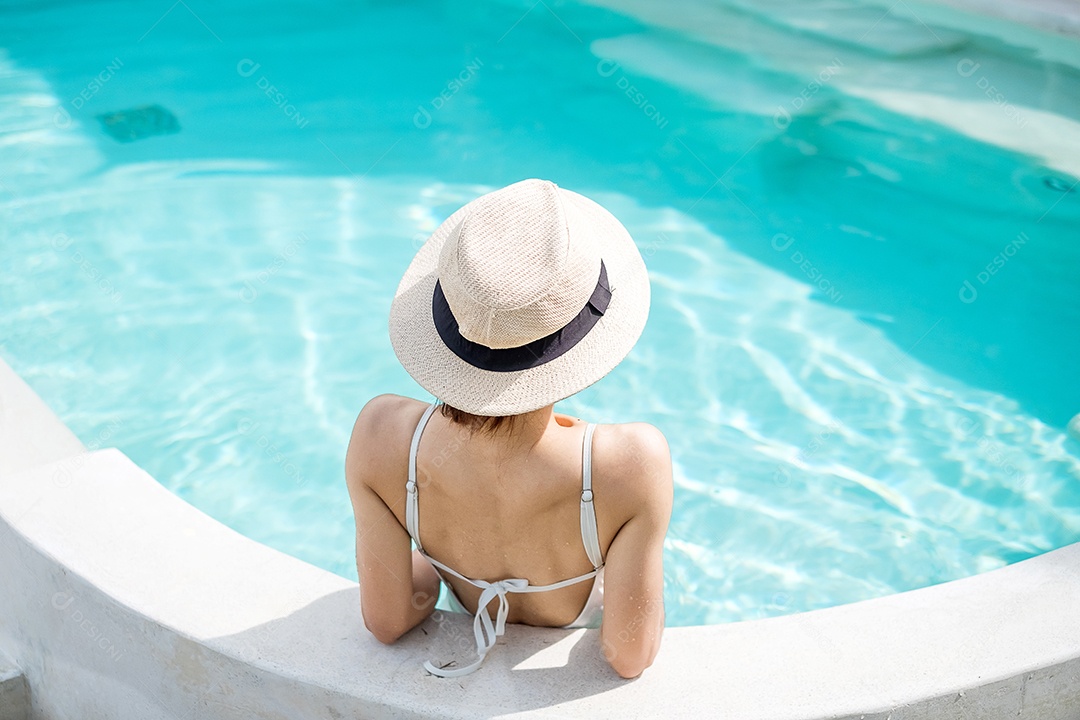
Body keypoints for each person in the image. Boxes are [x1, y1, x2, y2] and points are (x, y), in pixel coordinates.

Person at [345, 179, 672, 679]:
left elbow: (388, 620)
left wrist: (441, 557)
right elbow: (628, 656)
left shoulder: (382, 438)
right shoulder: (626, 464)